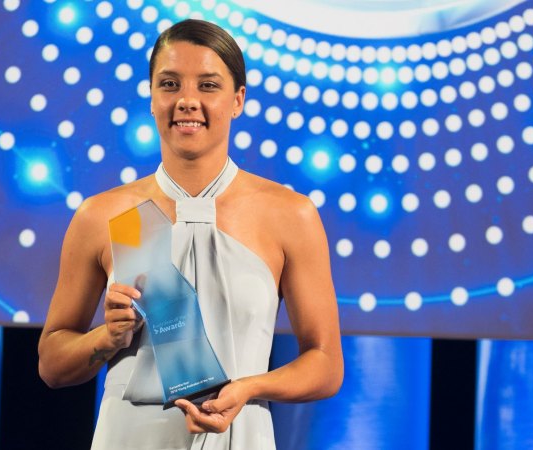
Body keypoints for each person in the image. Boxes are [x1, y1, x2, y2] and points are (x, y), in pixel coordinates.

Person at [38, 19, 343, 449]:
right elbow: (52, 363)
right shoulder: (104, 214)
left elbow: (326, 364)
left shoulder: (289, 215)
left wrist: (248, 388)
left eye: (208, 85)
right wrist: (106, 337)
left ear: (238, 100)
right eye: (169, 83)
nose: (186, 101)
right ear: (150, 96)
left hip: (240, 434)